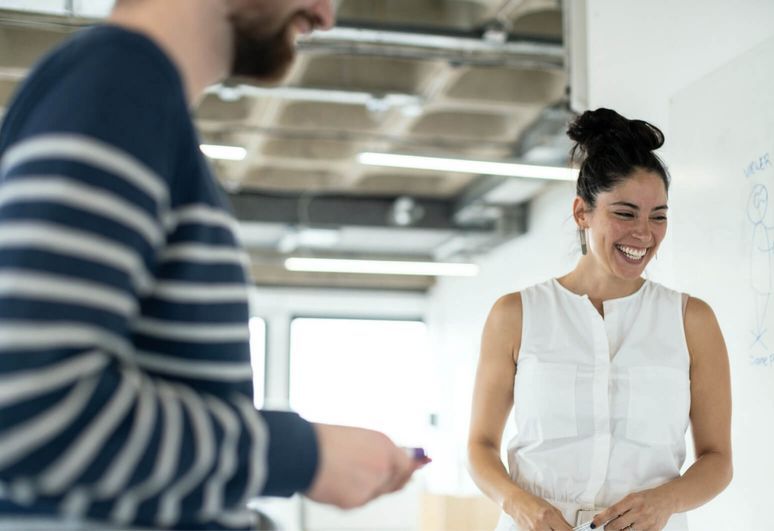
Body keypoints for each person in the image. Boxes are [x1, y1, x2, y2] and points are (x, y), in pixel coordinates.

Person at [0, 1, 425, 529]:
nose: (326, 14)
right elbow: (30, 411)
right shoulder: (118, 81)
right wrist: (302, 455)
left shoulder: (130, 91)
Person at [467, 108, 733, 531]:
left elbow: (718, 460)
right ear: (581, 213)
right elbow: (480, 447)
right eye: (625, 213)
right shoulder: (516, 314)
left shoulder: (692, 320)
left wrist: (665, 501)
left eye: (658, 216)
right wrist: (520, 505)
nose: (644, 234)